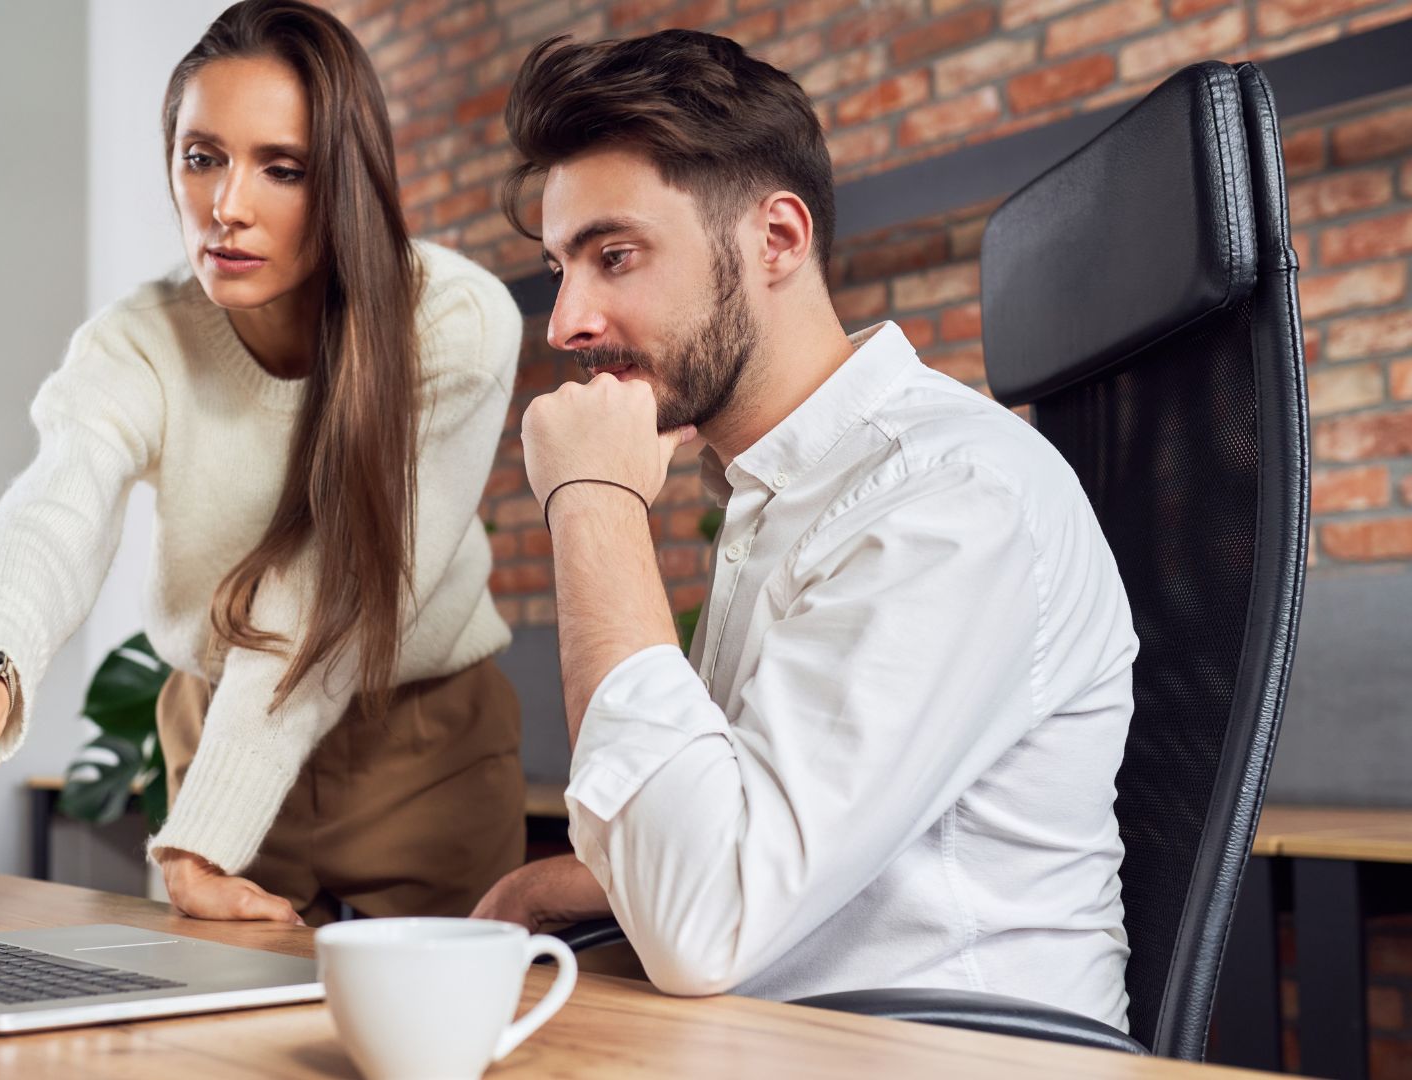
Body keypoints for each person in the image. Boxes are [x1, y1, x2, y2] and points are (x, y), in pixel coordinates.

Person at [470, 30, 1138, 1030]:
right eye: (563, 267)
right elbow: (767, 840)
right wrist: (567, 886)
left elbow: (710, 919)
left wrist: (592, 504)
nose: (566, 320)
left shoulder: (948, 501)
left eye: (614, 256)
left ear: (776, 240)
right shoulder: (781, 495)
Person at [0, 0, 526, 927]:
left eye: (282, 169)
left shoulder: (454, 321)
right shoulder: (138, 340)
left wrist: (201, 834)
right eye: (203, 157)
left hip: (421, 751)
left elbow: (338, 591)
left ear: (346, 182)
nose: (226, 208)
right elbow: (57, 505)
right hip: (216, 730)